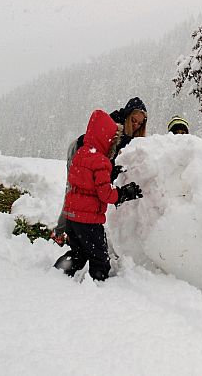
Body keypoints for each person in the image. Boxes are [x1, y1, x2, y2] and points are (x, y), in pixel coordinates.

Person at [53, 109, 142, 281]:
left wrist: (109, 174)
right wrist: (124, 193)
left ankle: (57, 275)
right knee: (100, 258)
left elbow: (88, 182)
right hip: (89, 222)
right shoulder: (101, 161)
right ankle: (98, 289)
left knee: (77, 254)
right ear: (107, 139)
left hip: (73, 218)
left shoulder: (80, 155)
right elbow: (105, 194)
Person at [51, 97, 147, 244]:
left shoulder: (131, 135)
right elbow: (104, 157)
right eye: (134, 120)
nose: (136, 125)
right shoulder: (116, 127)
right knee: (75, 191)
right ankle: (61, 231)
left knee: (83, 194)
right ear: (128, 115)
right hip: (78, 151)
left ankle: (75, 231)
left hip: (91, 156)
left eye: (140, 123)